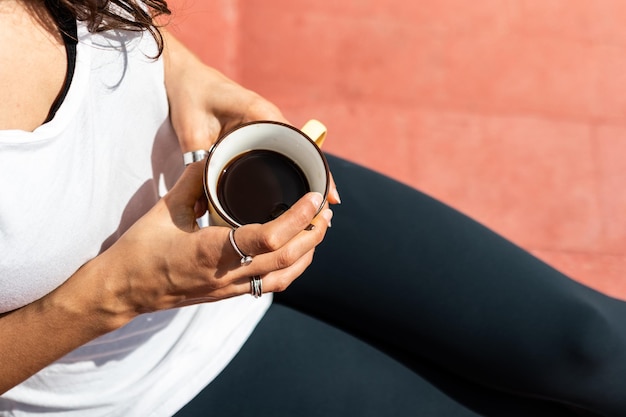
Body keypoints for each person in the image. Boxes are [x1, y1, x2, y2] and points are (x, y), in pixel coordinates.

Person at [1, 1, 625, 416]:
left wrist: (185, 71)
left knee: (589, 344)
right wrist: (119, 294)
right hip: (140, 372)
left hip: (248, 185)